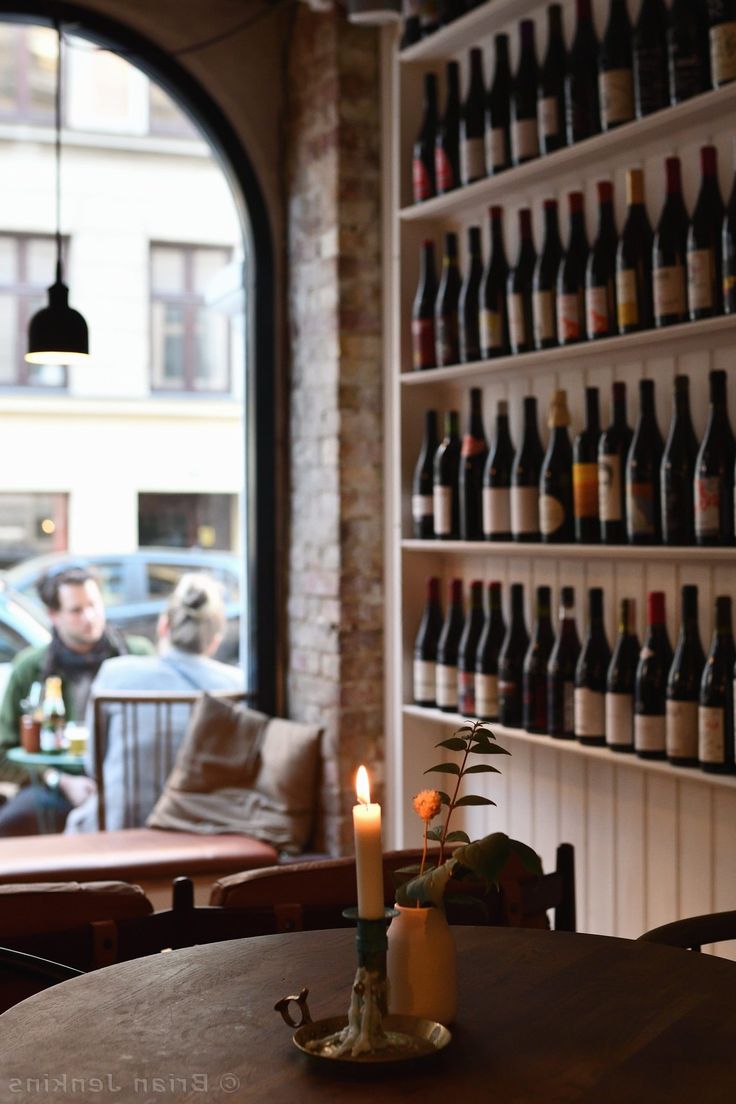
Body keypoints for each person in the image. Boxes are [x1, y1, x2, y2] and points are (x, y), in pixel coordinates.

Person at [64, 572, 244, 833]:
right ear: (214, 641)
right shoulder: (235, 684)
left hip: (121, 826)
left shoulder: (116, 674)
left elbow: (94, 766)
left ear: (163, 626)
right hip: (207, 829)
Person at [0, 564, 154, 835]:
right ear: (53, 615)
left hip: (132, 782)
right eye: (76, 610)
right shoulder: (31, 668)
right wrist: (58, 779)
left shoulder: (135, 656)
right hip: (56, 786)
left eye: (94, 604)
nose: (90, 616)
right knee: (11, 824)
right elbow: (2, 753)